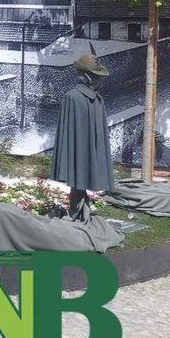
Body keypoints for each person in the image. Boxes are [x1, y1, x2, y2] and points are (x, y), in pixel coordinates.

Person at [50, 49, 116, 221]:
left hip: (84, 152)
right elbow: (69, 132)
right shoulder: (74, 98)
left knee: (80, 179)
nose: (100, 80)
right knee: (78, 180)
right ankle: (77, 208)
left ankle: (78, 209)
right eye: (97, 76)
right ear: (87, 76)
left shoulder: (95, 99)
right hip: (78, 151)